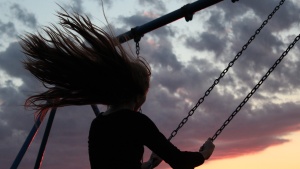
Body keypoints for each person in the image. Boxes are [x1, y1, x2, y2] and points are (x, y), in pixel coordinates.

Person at [21, 10, 215, 169]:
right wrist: (203, 155)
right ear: (137, 94)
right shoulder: (136, 122)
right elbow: (179, 161)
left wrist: (148, 165)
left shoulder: (98, 124)